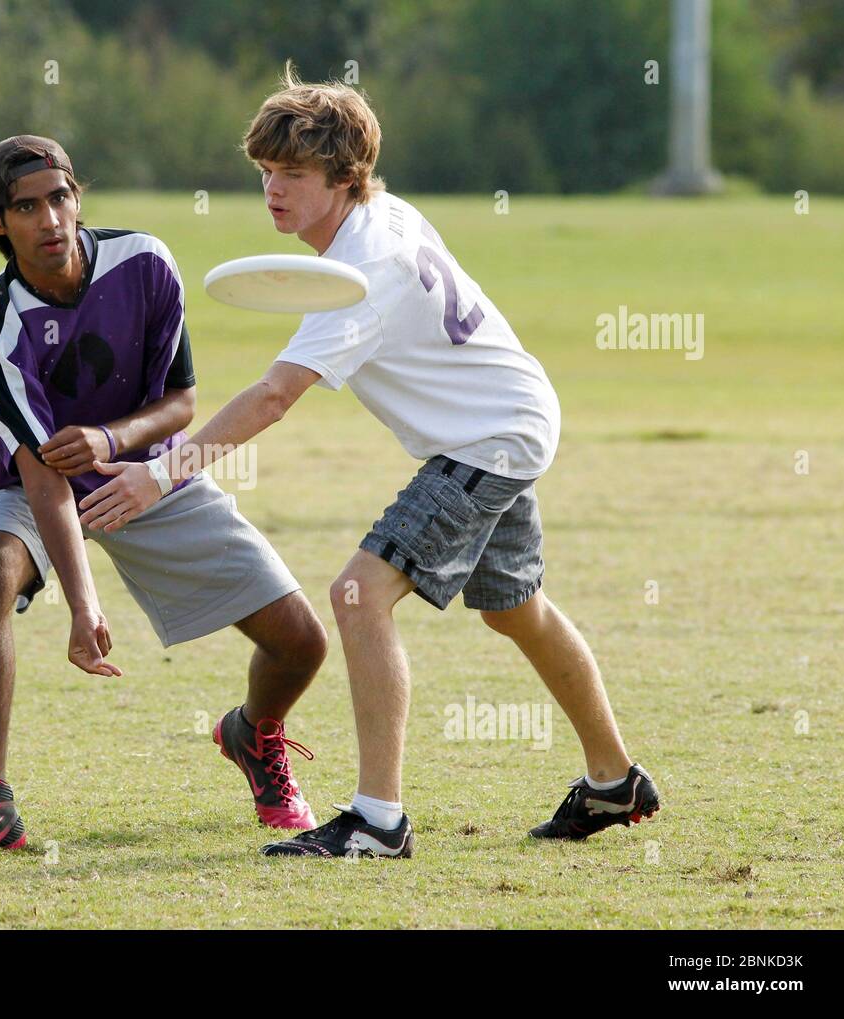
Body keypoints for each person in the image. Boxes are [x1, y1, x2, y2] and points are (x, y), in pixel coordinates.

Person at [78, 69, 661, 858]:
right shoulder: (383, 218)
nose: (273, 191)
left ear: (345, 179)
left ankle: (377, 821)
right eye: (265, 174)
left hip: (486, 440)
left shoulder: (363, 273)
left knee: (357, 594)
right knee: (514, 609)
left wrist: (159, 472)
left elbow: (276, 395)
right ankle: (613, 780)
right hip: (513, 418)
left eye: (294, 175)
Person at [0, 135, 328, 855]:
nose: (49, 219)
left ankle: (253, 734)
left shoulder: (144, 263)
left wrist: (112, 440)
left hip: (146, 473)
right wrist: (83, 606)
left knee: (303, 642)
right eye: (26, 207)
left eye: (59, 198)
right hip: (37, 484)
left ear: (78, 197)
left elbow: (181, 400)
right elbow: (45, 478)